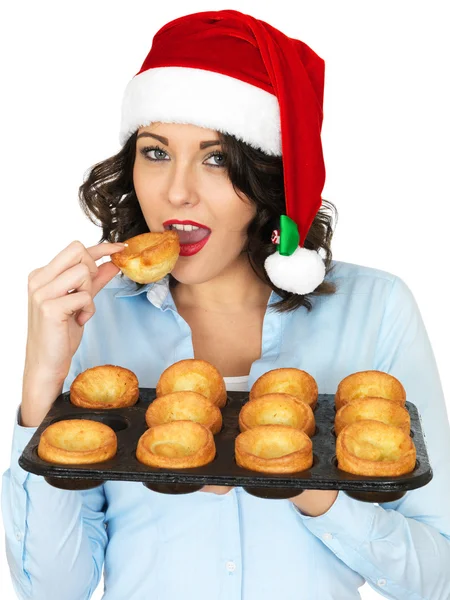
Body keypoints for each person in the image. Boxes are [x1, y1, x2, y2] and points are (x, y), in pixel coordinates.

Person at [2, 8, 450, 600]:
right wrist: (42, 385)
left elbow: (437, 574)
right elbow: (54, 590)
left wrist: (300, 478)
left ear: (268, 173)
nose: (177, 190)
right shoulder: (95, 317)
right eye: (156, 151)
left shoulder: (375, 309)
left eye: (215, 158)